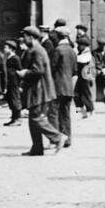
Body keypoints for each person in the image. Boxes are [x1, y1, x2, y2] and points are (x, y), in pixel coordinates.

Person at [20, 26, 63, 155]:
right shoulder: (37, 49)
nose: (23, 39)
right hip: (38, 89)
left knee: (35, 118)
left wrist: (24, 73)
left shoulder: (37, 50)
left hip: (40, 90)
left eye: (25, 36)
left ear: (31, 37)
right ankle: (37, 149)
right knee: (33, 120)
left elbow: (38, 70)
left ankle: (58, 137)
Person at [49, 28, 77, 145]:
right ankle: (67, 138)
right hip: (69, 87)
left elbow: (52, 68)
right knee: (65, 114)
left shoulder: (57, 50)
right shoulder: (72, 51)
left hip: (57, 86)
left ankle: (55, 139)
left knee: (53, 113)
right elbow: (75, 71)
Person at [74, 36, 96, 119]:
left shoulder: (86, 53)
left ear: (84, 45)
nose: (78, 46)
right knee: (78, 94)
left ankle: (90, 111)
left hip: (85, 77)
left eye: (79, 44)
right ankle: (83, 112)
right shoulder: (82, 53)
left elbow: (79, 60)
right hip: (82, 77)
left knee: (85, 94)